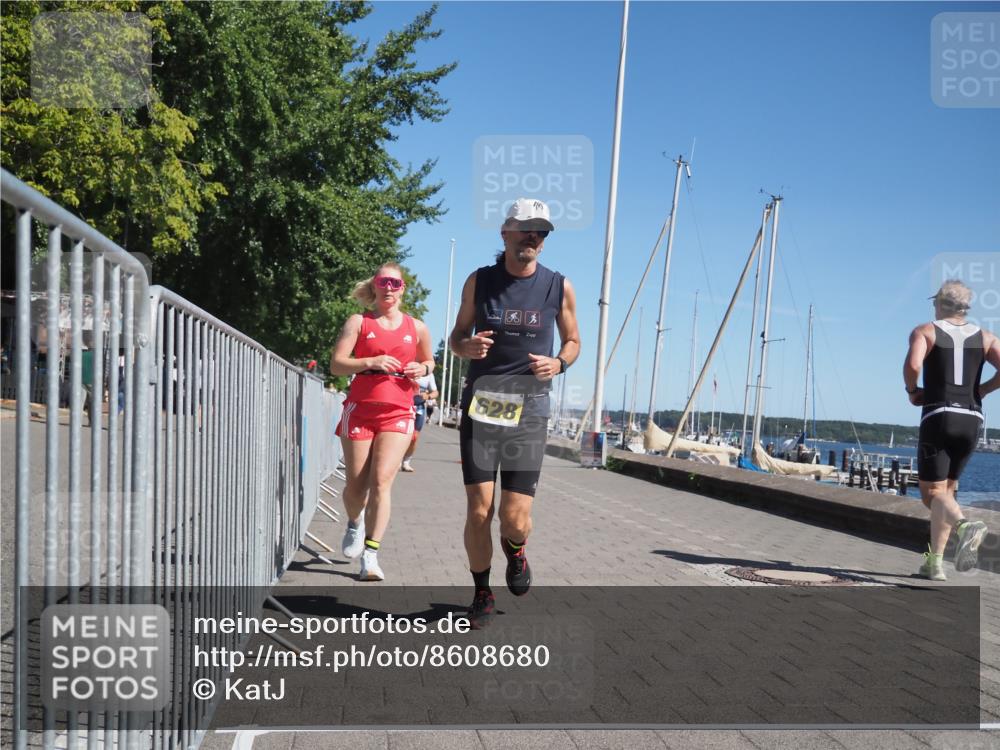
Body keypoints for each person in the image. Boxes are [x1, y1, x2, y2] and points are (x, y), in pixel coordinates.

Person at [449, 198, 580, 627]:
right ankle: (482, 593)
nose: (532, 237)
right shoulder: (479, 281)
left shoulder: (557, 286)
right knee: (478, 511)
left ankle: (516, 549)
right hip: (483, 405)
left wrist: (559, 362)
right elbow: (456, 334)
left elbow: (574, 341)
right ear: (505, 232)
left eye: (540, 232)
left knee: (514, 519)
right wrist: (464, 347)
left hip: (530, 411)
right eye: (525, 229)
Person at [330, 262, 435, 581]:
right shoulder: (359, 322)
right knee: (356, 487)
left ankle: (371, 556)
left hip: (399, 409)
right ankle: (354, 522)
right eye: (383, 282)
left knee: (381, 481)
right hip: (360, 408)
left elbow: (430, 360)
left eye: (395, 283)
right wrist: (370, 361)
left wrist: (424, 369)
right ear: (374, 286)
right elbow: (336, 365)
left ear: (403, 288)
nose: (389, 287)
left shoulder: (416, 327)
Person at [904, 279, 1000, 580]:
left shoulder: (926, 330)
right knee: (947, 491)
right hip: (972, 419)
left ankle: (964, 526)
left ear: (940, 304)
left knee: (931, 492)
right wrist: (983, 389)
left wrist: (911, 390)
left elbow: (914, 364)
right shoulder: (986, 337)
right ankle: (933, 563)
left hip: (939, 414)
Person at [400, 371, 438, 472]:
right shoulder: (407, 367)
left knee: (414, 437)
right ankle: (397, 459)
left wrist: (428, 396)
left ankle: (406, 462)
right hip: (403, 405)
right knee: (399, 434)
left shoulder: (428, 373)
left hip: (419, 408)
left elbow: (435, 392)